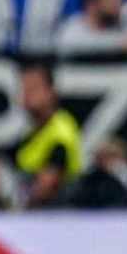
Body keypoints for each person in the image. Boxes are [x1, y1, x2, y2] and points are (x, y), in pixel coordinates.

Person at [14, 61, 81, 208]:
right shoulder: (29, 133)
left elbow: (44, 188)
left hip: (55, 218)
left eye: (33, 89)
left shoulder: (60, 132)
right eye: (23, 89)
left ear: (50, 92)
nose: (26, 96)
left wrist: (9, 209)